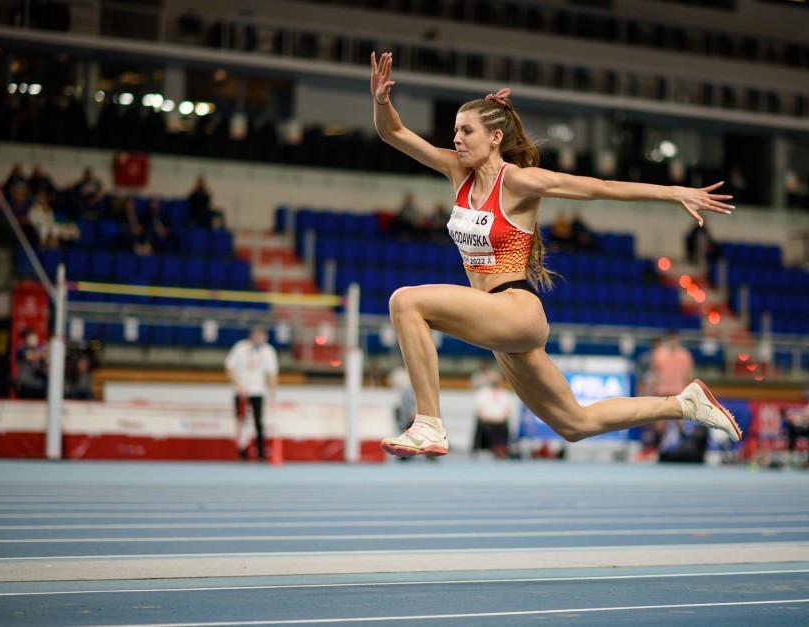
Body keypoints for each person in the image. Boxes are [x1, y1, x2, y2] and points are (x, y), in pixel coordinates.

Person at [370, 51, 740, 458]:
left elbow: (602, 187)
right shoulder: (457, 172)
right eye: (455, 131)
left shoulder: (521, 183)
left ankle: (429, 424)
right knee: (574, 424)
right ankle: (684, 404)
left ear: (495, 138)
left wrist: (673, 192)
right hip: (499, 324)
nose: (456, 139)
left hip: (515, 309)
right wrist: (382, 101)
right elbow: (394, 135)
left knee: (405, 301)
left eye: (466, 131)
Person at [225, 327, 279, 462]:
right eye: (256, 336)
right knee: (241, 422)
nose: (259, 339)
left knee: (258, 422)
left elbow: (272, 373)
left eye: (261, 336)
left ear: (265, 337)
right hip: (241, 391)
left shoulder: (268, 351)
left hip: (258, 391)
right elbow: (229, 367)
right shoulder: (240, 347)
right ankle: (242, 453)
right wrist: (237, 385)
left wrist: (272, 394)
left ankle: (261, 453)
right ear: (251, 336)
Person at [472, 372, 514, 458]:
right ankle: (492, 448)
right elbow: (479, 411)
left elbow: (507, 412)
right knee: (487, 427)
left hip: (500, 421)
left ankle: (499, 448)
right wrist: (489, 419)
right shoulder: (482, 393)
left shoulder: (506, 395)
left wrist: (498, 419)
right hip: (487, 421)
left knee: (501, 427)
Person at [15, 328, 47, 399]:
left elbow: (43, 367)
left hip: (38, 386)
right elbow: (30, 356)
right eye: (31, 339)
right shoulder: (21, 349)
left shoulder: (38, 350)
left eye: (35, 339)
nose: (34, 341)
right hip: (26, 386)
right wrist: (44, 352)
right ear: (25, 340)